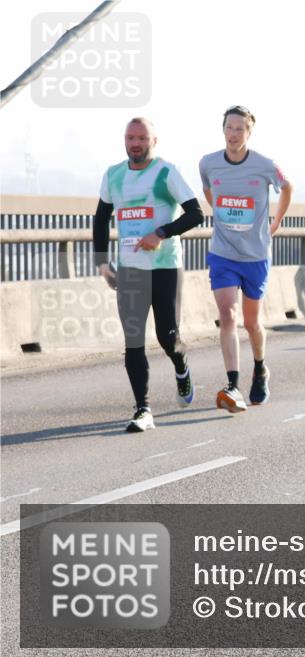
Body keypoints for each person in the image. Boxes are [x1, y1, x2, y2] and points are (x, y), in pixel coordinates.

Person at [93, 118, 204, 432]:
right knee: (133, 341)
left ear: (154, 141)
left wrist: (162, 232)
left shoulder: (166, 172)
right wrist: (102, 262)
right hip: (130, 270)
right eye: (130, 137)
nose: (135, 143)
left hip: (165, 267)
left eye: (142, 138)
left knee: (168, 336)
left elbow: (196, 212)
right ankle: (143, 409)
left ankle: (180, 363)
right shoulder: (113, 175)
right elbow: (101, 218)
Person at [200, 105, 292, 412]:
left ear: (249, 132)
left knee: (252, 323)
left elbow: (287, 186)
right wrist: (222, 216)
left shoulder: (265, 165)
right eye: (229, 127)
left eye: (240, 128)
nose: (234, 133)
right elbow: (208, 190)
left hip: (255, 255)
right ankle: (232, 385)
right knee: (228, 315)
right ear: (223, 129)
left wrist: (275, 221)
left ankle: (260, 367)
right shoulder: (208, 163)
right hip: (223, 252)